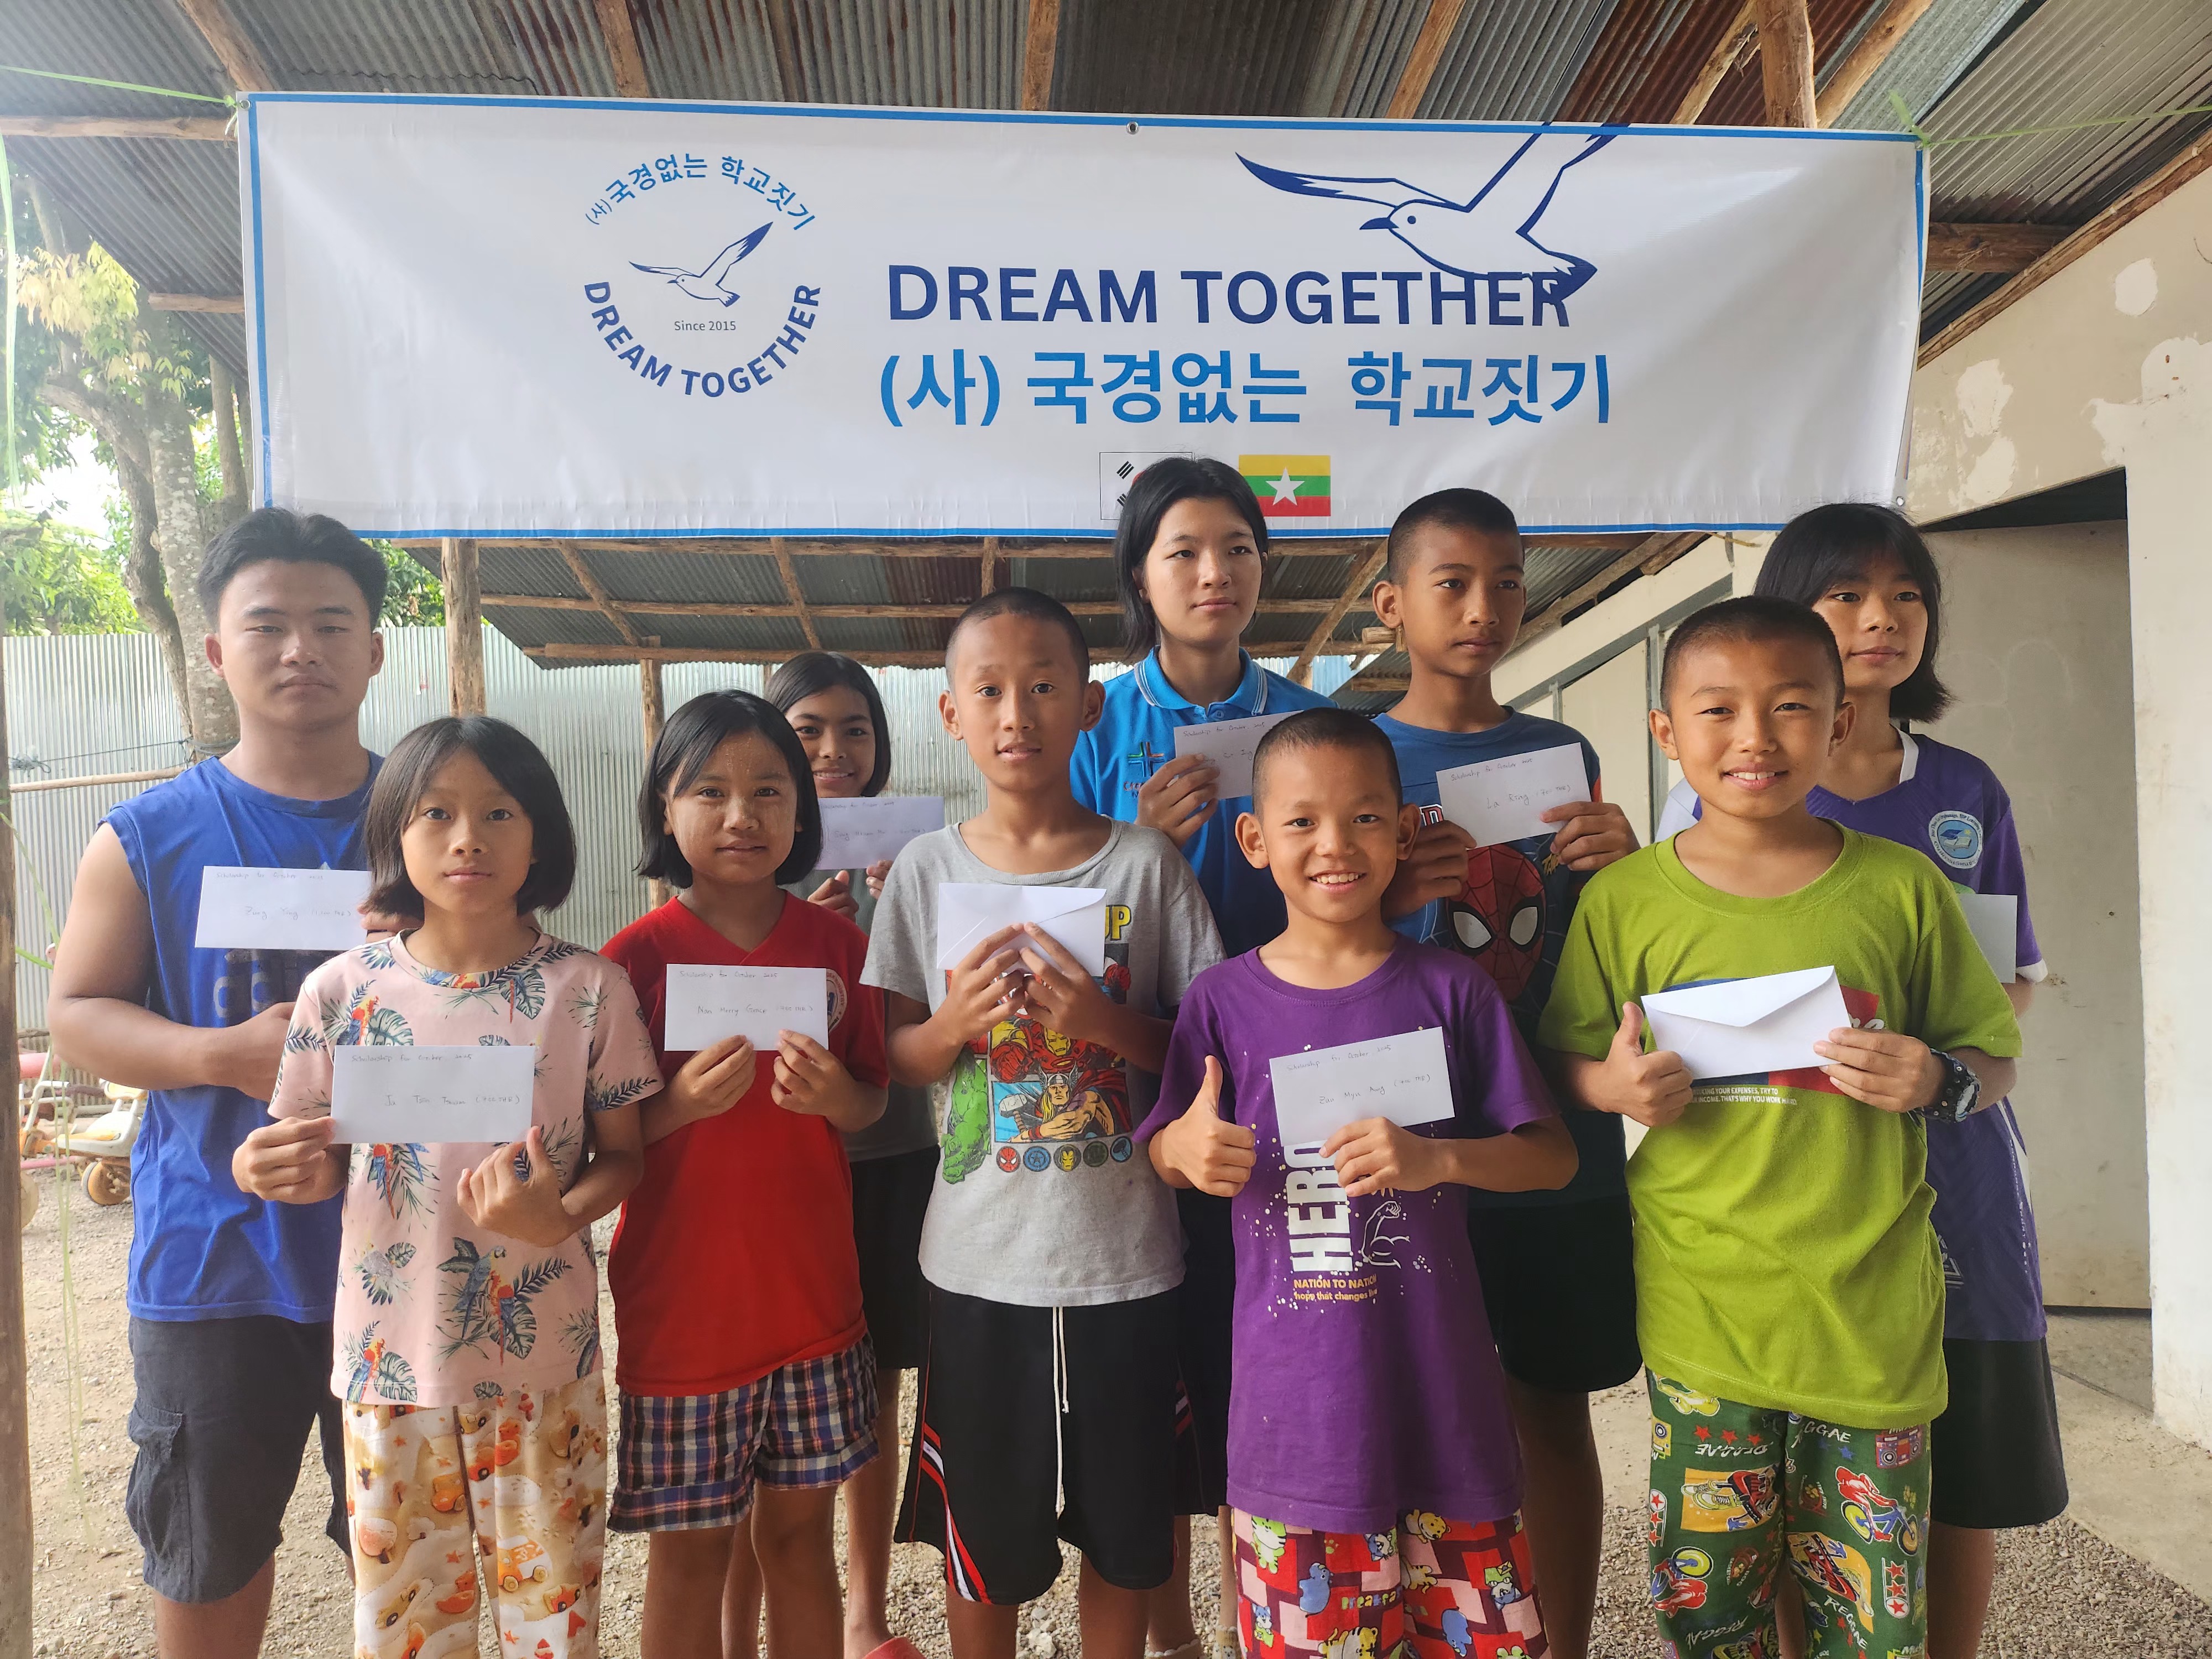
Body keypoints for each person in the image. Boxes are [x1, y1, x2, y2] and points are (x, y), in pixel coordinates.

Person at [1540, 597, 2022, 1659]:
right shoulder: (1624, 901)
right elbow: (1562, 1062)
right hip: (1704, 1319)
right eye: (1718, 710)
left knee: (1875, 1623)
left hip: (1872, 1326)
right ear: (1667, 732)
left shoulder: (1900, 889)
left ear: (1840, 722)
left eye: (1791, 707)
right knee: (1708, 1612)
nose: (1754, 737)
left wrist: (1936, 1078)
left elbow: (1993, 1057)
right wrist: (1612, 1087)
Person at [1656, 504, 2064, 1659]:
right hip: (1791, 1167)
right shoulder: (1726, 791)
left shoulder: (1963, 790)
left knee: (1958, 1458)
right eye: (1844, 594)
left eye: (1905, 595)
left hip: (1953, 1160)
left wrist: (1935, 1068)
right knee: (1793, 1457)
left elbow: (2010, 987)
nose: (1880, 618)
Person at [1144, 708, 1577, 1658]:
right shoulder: (1221, 1002)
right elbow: (1163, 1147)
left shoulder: (1452, 990)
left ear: (1405, 832)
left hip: (1451, 1420)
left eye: (1366, 818)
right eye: (1302, 821)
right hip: (1297, 1434)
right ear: (1254, 840)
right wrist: (1185, 1150)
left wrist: (1441, 1159)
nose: (1335, 845)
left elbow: (1552, 1156)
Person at [236, 714, 656, 1659]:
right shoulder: (342, 994)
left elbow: (625, 1157)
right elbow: (313, 1156)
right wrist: (261, 1167)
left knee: (554, 1622)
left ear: (542, 835)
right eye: (436, 813)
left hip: (544, 1360)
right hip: (391, 1360)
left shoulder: (588, 990)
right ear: (396, 833)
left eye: (499, 812)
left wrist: (560, 1216)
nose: (468, 838)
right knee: (410, 1627)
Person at [45, 508, 389, 1659]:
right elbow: (77, 1013)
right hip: (215, 1263)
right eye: (268, 624)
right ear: (214, 650)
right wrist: (222, 1055)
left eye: (331, 624)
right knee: (206, 1551)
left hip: (409, 1255)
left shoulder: (441, 822)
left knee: (411, 1553)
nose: (301, 649)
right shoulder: (148, 835)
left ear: (374, 649)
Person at [862, 587, 1224, 1659]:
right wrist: (954, 1026)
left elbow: (1206, 1047)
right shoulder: (927, 870)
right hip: (978, 1265)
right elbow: (893, 1057)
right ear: (950, 715)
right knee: (984, 1530)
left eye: (1043, 686)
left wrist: (1100, 1021)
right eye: (988, 691)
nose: (1016, 713)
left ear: (1089, 707)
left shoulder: (1143, 865)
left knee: (1126, 1530)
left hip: (1127, 1260)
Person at [1365, 487, 1641, 1659]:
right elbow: (1304, 937)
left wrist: (1624, 864)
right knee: (1400, 1407)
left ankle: (1560, 1641)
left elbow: (1594, 939)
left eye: (1507, 583)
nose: (1484, 607)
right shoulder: (1357, 756)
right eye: (1453, 583)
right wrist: (1390, 894)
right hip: (1399, 1130)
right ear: (1391, 606)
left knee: (1552, 1405)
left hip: (1548, 1125)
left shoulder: (1560, 753)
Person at [1070, 457, 1334, 1659]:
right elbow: (1066, 910)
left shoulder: (1307, 721)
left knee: (1271, 1343)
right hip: (1142, 1083)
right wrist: (1138, 845)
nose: (1213, 572)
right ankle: (1177, 1634)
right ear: (1141, 576)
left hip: (1286, 1072)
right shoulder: (1097, 730)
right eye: (1182, 551)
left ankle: (1264, 1615)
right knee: (1163, 1366)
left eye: (1236, 548)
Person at [601, 690, 891, 1659]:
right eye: (710, 791)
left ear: (802, 810)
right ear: (665, 805)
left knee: (801, 1543)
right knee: (690, 1558)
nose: (742, 816)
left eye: (770, 790)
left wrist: (837, 1098)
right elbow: (601, 1145)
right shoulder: (626, 968)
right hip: (683, 1320)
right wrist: (675, 1108)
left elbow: (873, 1099)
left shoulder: (839, 949)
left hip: (814, 1305)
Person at [705, 651, 932, 1659]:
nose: (834, 750)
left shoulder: (918, 856)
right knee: (757, 1399)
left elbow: (941, 1013)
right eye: (808, 730)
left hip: (890, 1149)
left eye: (856, 729)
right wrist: (808, 930)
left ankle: (865, 1613)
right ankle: (742, 1630)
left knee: (871, 1389)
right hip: (775, 1165)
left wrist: (903, 917)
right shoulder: (743, 854)